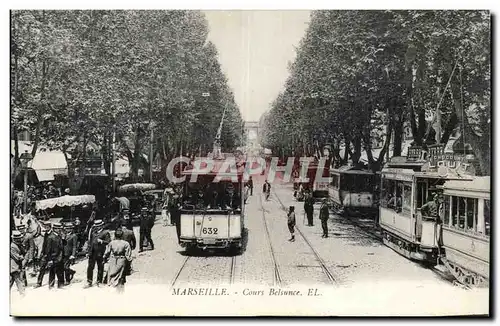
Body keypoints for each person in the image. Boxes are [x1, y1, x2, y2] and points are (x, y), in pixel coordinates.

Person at [35, 222, 64, 289]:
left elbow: (61, 246)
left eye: (59, 229)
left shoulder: (59, 236)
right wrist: (49, 258)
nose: (59, 230)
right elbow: (48, 248)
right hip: (52, 256)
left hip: (58, 256)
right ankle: (50, 285)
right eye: (57, 229)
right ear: (54, 229)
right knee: (52, 271)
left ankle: (60, 285)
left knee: (59, 271)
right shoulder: (50, 237)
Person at [103, 228, 132, 292]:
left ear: (115, 235)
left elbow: (107, 252)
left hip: (113, 259)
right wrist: (130, 262)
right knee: (120, 276)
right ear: (122, 236)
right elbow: (128, 255)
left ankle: (111, 288)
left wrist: (104, 258)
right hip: (121, 260)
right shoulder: (126, 243)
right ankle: (119, 291)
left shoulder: (111, 243)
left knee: (112, 274)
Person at [85, 219, 111, 288]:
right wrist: (88, 251)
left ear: (102, 226)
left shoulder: (105, 232)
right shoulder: (93, 232)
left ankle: (99, 281)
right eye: (96, 226)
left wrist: (102, 241)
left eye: (98, 226)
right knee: (90, 267)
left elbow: (108, 241)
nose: (97, 227)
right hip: (92, 253)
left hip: (100, 252)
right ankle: (89, 281)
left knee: (100, 267)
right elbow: (90, 242)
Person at [10, 231, 27, 296]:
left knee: (12, 280)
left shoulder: (18, 245)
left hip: (16, 266)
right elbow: (17, 257)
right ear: (14, 239)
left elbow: (24, 251)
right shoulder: (13, 246)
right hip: (14, 266)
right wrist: (22, 257)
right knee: (19, 280)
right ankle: (22, 294)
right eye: (18, 238)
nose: (20, 239)